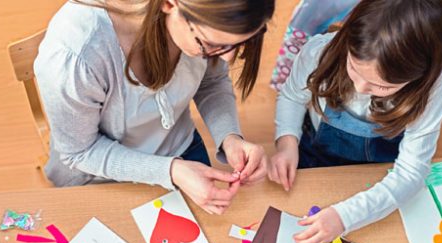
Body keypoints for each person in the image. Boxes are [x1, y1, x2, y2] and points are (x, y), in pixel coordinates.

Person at [34, 0, 274, 214]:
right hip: (99, 175)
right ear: (169, 4)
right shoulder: (76, 55)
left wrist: (229, 136)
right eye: (211, 44)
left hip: (180, 152)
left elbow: (211, 82)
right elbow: (79, 152)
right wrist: (171, 171)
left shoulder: (204, 24)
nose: (226, 59)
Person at [268, 0, 442, 243]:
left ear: (421, 76)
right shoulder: (319, 52)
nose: (361, 88)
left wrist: (344, 217)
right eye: (354, 67)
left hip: (378, 176)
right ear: (348, 39)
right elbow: (292, 96)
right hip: (312, 156)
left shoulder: (434, 91)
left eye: (382, 87)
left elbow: (410, 173)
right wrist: (287, 143)